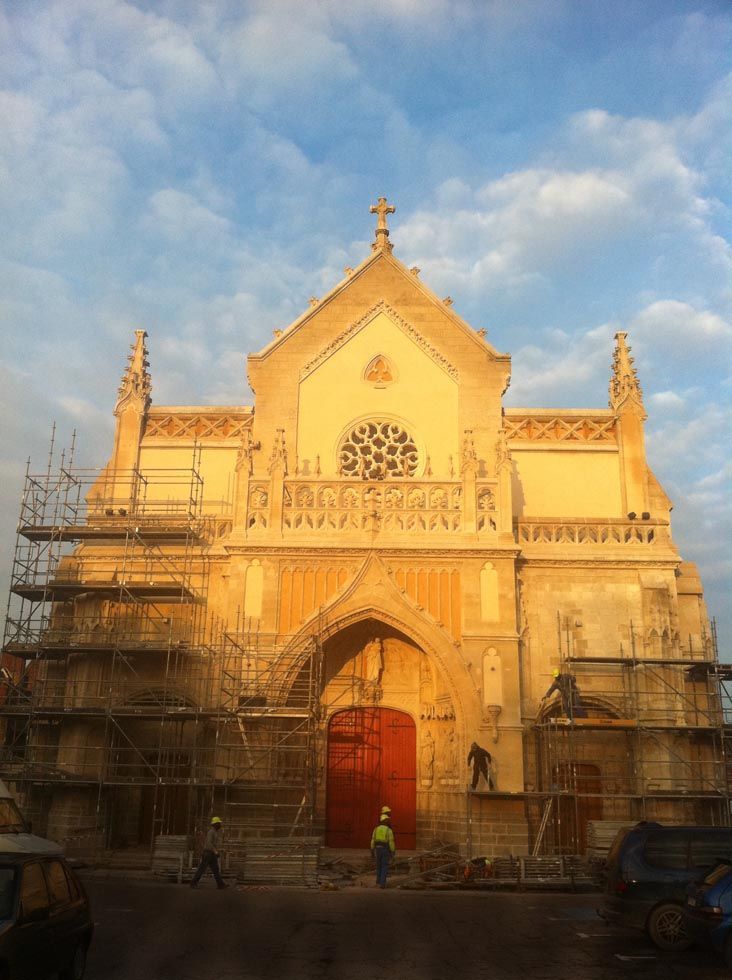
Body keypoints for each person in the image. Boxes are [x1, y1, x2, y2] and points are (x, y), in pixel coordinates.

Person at [190, 816, 227, 889]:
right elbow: (209, 843)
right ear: (215, 824)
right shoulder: (211, 832)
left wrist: (218, 850)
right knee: (202, 868)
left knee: (216, 869)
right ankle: (193, 883)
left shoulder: (215, 832)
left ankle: (220, 885)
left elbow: (213, 844)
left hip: (211, 853)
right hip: (208, 853)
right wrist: (215, 851)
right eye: (219, 823)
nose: (220, 825)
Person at [370, 812, 396, 889]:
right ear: (385, 821)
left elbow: (373, 840)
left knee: (379, 866)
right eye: (387, 820)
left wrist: (372, 850)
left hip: (378, 849)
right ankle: (382, 884)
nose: (388, 821)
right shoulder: (388, 830)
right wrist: (393, 852)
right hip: (385, 850)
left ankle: (378, 881)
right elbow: (391, 842)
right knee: (384, 866)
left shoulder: (376, 829)